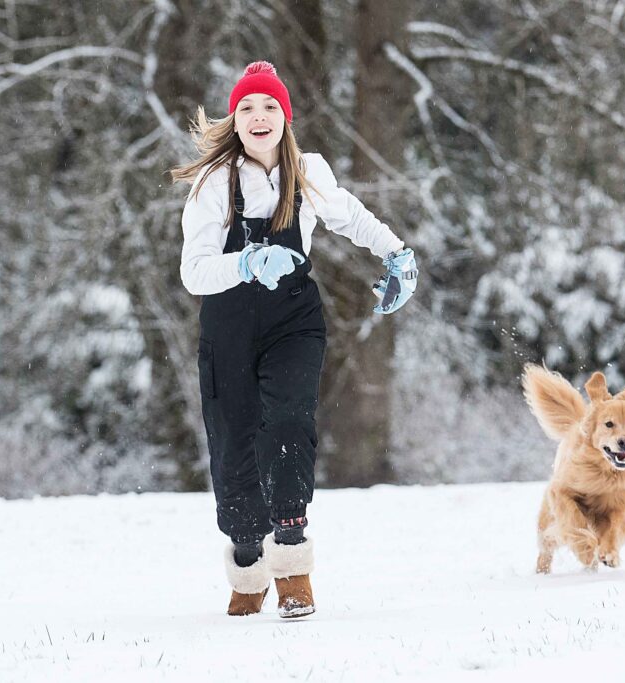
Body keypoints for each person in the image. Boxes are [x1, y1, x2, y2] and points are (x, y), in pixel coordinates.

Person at [170, 61, 418, 619]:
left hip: (293, 322)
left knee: (286, 423)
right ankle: (247, 562)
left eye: (270, 107)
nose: (260, 117)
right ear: (235, 120)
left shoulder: (307, 171)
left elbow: (348, 215)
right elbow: (193, 273)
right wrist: (249, 261)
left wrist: (396, 252)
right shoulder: (214, 184)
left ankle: (293, 563)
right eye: (248, 108)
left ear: (286, 116)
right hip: (228, 328)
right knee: (234, 446)